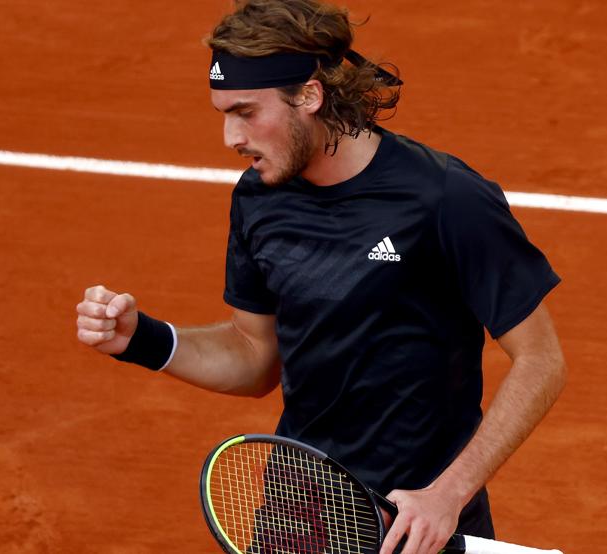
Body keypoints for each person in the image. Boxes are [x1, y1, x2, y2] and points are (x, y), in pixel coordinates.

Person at [75, 1, 567, 553]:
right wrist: (143, 340)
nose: (230, 137)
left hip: (420, 519)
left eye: (246, 111)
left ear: (309, 95)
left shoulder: (444, 199)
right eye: (222, 113)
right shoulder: (258, 200)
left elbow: (541, 360)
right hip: (302, 511)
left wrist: (446, 495)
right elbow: (254, 354)